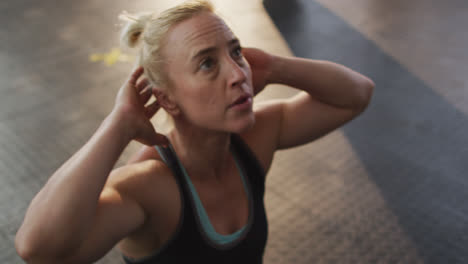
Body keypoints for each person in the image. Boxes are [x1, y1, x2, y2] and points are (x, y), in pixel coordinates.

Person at [15, 0, 374, 263]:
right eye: (207, 63)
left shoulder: (256, 138)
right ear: (167, 100)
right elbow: (39, 250)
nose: (238, 74)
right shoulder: (147, 188)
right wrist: (118, 125)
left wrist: (275, 65)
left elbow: (357, 95)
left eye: (236, 53)